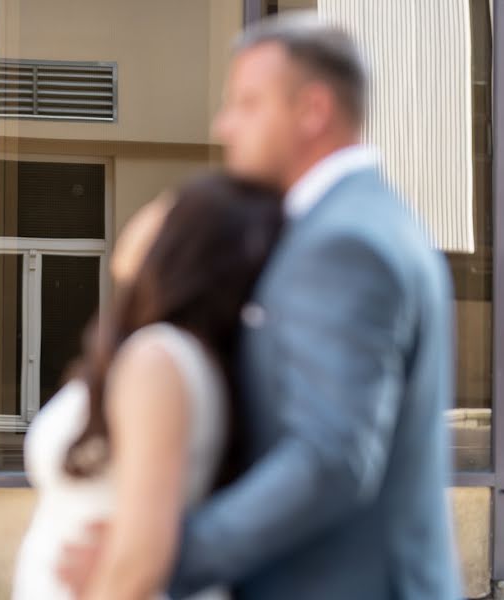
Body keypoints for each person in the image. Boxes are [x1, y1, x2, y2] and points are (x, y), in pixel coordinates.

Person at [60, 12, 461, 600]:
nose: (224, 126)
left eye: (247, 104)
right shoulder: (364, 222)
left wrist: (160, 559)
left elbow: (330, 459)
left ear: (313, 111)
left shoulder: (341, 243)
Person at [11, 174, 284, 600]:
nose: (142, 215)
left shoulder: (157, 359)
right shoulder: (180, 354)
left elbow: (141, 563)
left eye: (164, 206)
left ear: (182, 243)